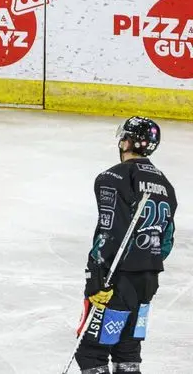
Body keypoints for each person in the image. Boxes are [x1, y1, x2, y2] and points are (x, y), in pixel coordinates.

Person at [75, 116, 178, 373]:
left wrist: (96, 278)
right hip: (147, 280)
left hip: (114, 280)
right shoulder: (166, 185)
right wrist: (146, 265)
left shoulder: (112, 176)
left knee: (92, 353)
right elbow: (166, 240)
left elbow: (110, 231)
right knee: (127, 351)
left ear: (125, 142)